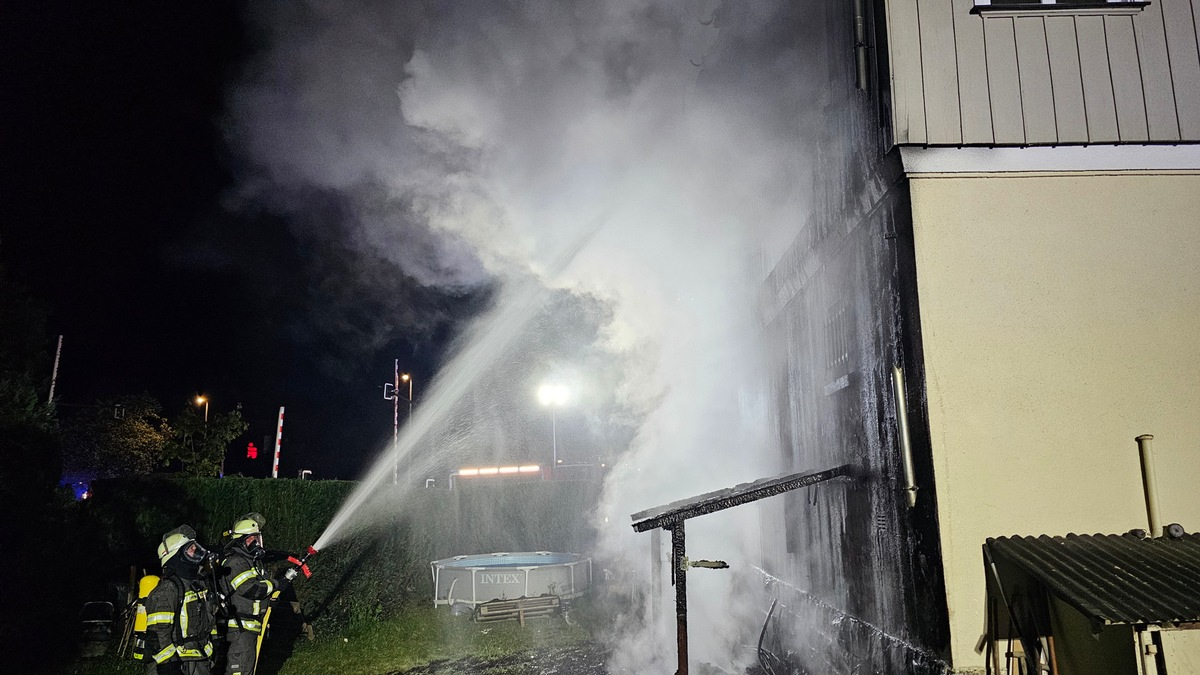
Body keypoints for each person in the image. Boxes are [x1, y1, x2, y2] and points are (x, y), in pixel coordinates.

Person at [217, 513, 286, 675]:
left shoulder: (251, 563)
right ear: (241, 541)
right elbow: (251, 589)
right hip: (240, 630)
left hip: (250, 628)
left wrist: (268, 601)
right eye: (252, 539)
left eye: (258, 538)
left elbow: (258, 591)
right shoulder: (235, 562)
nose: (257, 543)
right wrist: (276, 584)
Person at [144, 525, 218, 675]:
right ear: (177, 555)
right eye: (190, 549)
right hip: (176, 664)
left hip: (200, 660)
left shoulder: (199, 584)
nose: (196, 552)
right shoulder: (167, 589)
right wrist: (168, 665)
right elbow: (158, 634)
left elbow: (209, 618)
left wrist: (215, 641)